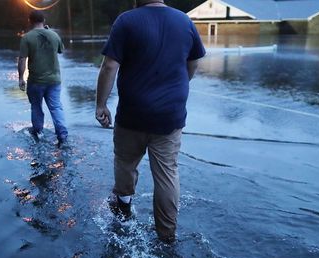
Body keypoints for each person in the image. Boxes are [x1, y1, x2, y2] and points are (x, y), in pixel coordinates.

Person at [95, 0, 206, 243]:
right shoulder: (184, 21)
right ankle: (166, 235)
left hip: (133, 113)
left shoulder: (127, 20)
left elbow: (109, 65)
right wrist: (179, 86)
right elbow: (194, 61)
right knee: (167, 174)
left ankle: (123, 208)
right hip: (170, 116)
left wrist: (101, 104)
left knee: (125, 162)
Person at [18, 10, 68, 147]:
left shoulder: (26, 37)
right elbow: (61, 50)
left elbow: (22, 60)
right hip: (54, 80)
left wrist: (21, 78)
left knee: (36, 107)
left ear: (30, 21)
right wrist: (50, 32)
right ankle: (63, 136)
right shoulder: (54, 35)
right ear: (44, 21)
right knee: (56, 107)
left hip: (36, 81)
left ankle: (38, 133)